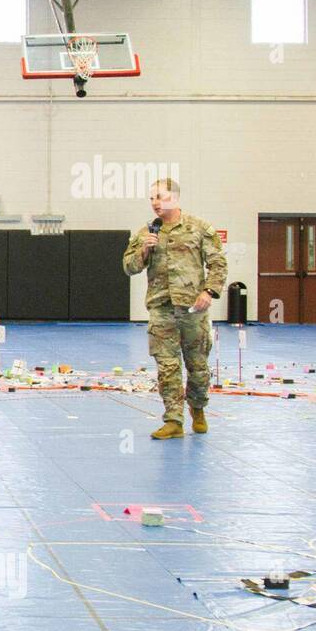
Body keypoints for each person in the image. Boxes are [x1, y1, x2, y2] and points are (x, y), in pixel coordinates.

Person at [122, 178, 228, 440]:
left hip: (193, 308)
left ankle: (198, 409)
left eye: (160, 196)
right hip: (161, 308)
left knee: (197, 365)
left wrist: (209, 291)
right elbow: (129, 267)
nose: (155, 203)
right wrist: (144, 252)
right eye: (151, 198)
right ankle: (173, 420)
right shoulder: (145, 233)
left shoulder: (199, 228)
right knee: (167, 366)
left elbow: (218, 264)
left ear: (175, 198)